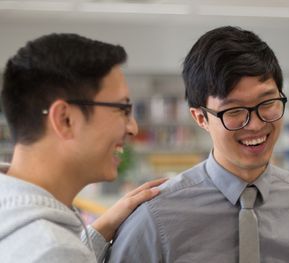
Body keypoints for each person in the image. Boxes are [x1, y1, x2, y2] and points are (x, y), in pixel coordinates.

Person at [108, 26, 289, 262]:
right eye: (234, 110)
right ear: (201, 118)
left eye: (267, 103)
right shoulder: (155, 219)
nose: (254, 124)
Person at [0, 33, 166, 262]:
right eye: (122, 109)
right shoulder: (54, 250)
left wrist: (100, 230)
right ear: (65, 119)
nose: (133, 128)